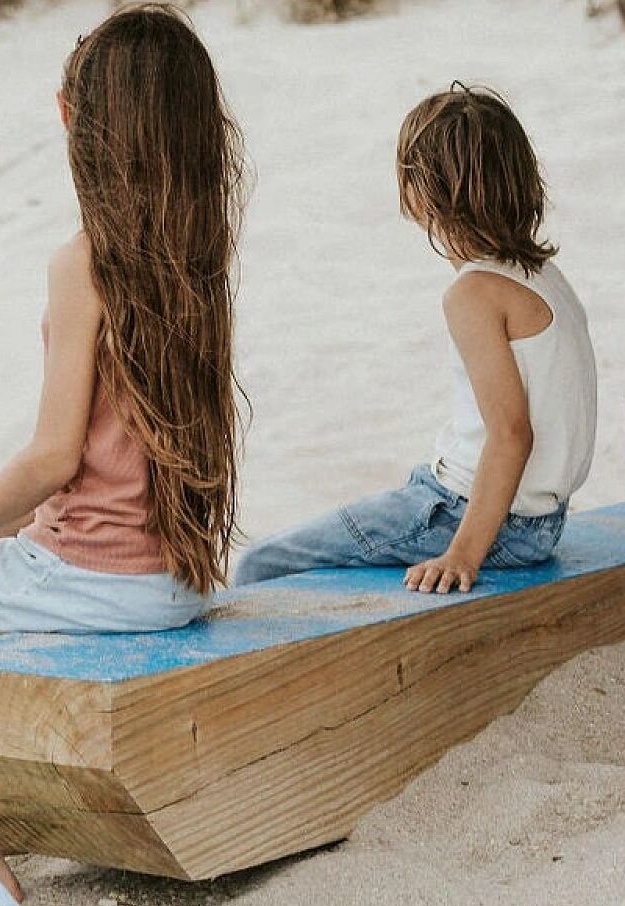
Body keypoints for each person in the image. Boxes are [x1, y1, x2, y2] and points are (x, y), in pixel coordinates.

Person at [0, 3, 247, 898]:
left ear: (71, 118)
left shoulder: (86, 262)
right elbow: (99, 466)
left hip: (95, 582)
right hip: (171, 583)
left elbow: (52, 460)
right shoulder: (196, 254)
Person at [237, 82, 596, 595]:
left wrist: (462, 554)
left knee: (260, 566)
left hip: (474, 516)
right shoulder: (544, 277)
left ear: (423, 192)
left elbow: (512, 433)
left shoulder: (473, 295)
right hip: (543, 521)